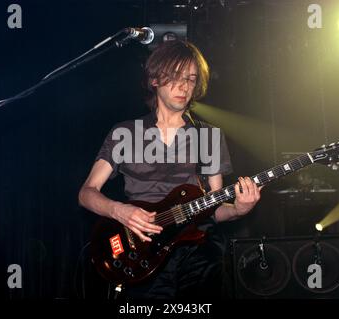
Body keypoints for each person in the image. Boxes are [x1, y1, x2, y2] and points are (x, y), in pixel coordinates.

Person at [78, 40, 262, 298]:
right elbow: (87, 192)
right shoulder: (125, 132)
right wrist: (118, 210)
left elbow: (214, 209)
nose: (184, 86)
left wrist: (240, 209)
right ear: (155, 80)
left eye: (191, 79)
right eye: (176, 76)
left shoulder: (208, 136)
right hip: (141, 248)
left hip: (197, 251)